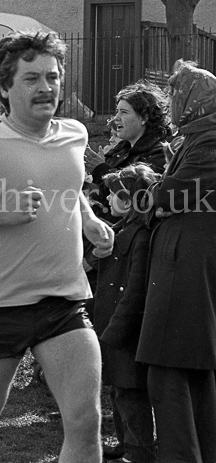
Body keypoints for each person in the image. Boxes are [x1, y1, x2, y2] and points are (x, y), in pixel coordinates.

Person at [0, 31, 114, 463]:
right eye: (32, 78)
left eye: (52, 77)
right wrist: (3, 213)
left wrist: (89, 220)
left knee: (86, 421)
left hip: (64, 299)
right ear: (6, 87)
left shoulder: (75, 134)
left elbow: (70, 187)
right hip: (0, 302)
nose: (46, 87)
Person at [136, 61, 216, 463]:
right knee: (190, 371)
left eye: (176, 93)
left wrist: (156, 197)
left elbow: (170, 194)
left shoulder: (209, 139)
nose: (170, 103)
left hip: (187, 267)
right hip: (183, 261)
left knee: (168, 372)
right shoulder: (197, 136)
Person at [90, 164, 158, 463]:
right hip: (113, 327)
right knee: (119, 390)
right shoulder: (121, 231)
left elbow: (134, 289)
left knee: (131, 393)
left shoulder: (139, 236)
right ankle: (126, 443)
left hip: (125, 331)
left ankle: (140, 450)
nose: (107, 201)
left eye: (114, 196)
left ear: (130, 200)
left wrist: (117, 329)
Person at [83, 80, 169, 216]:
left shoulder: (159, 154)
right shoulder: (119, 151)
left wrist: (100, 169)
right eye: (117, 111)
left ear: (144, 117)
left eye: (124, 112)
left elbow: (131, 198)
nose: (116, 118)